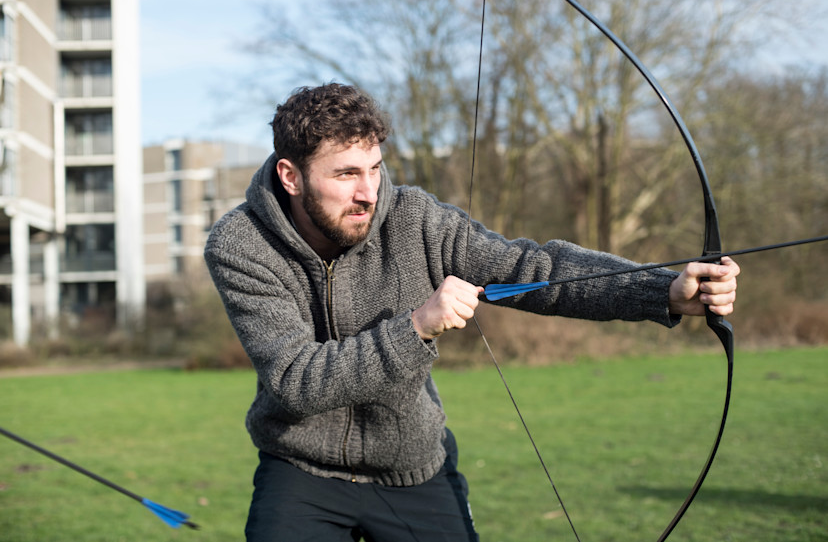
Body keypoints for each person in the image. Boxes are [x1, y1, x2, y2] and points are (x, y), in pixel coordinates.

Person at [204, 83, 739, 542]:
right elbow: (295, 380)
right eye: (345, 174)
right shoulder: (240, 244)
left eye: (375, 168)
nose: (368, 192)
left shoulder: (415, 218)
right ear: (290, 176)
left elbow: (533, 268)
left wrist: (661, 290)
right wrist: (416, 327)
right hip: (300, 468)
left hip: (413, 466)